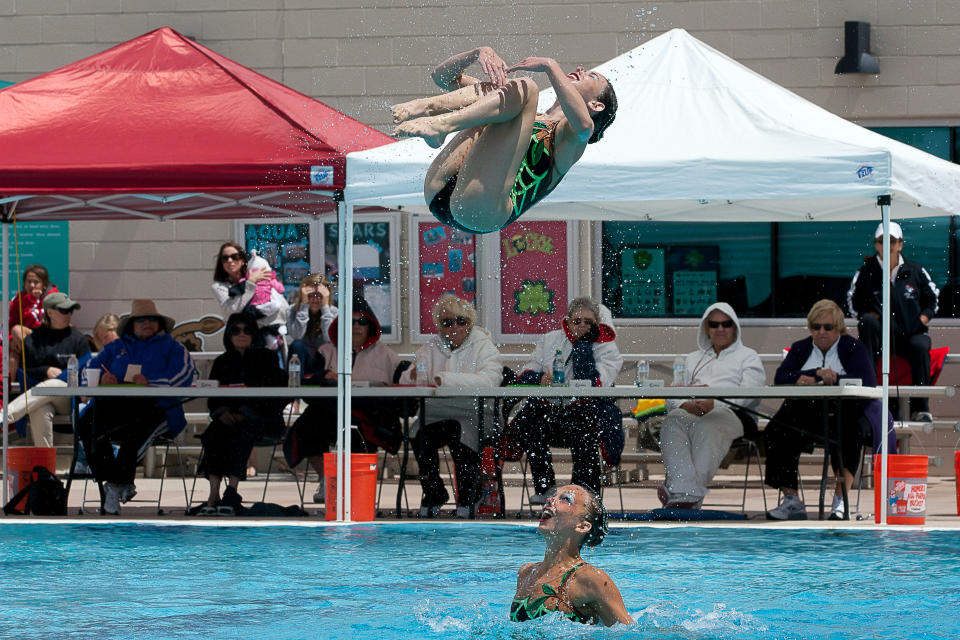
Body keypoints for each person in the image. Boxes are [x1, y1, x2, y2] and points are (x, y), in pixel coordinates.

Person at [393, 46, 617, 234]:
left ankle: (439, 125)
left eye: (592, 76)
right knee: (497, 91)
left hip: (482, 212)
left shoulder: (570, 139)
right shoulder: (512, 108)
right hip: (439, 190)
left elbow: (584, 126)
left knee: (526, 88)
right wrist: (477, 52)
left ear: (595, 106)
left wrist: (550, 65)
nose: (580, 69)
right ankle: (428, 108)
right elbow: (441, 78)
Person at [765, 300, 884, 521]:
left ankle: (841, 500)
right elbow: (781, 377)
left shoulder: (853, 347)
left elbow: (867, 380)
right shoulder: (801, 348)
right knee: (777, 429)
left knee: (851, 430)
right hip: (808, 411)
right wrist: (811, 375)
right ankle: (791, 499)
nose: (821, 332)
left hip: (846, 410)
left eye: (828, 328)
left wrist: (835, 378)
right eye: (816, 327)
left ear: (838, 328)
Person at [78, 299, 194, 515]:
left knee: (136, 432)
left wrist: (151, 383)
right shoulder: (115, 347)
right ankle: (117, 480)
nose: (147, 323)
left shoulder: (174, 348)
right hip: (118, 409)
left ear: (160, 324)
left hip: (160, 409)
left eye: (152, 319)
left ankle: (114, 486)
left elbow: (185, 376)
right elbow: (88, 372)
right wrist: (102, 378)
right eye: (141, 319)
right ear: (132, 324)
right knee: (87, 422)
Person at [285, 294, 401, 504]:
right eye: (351, 321)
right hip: (332, 412)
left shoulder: (387, 355)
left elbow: (400, 389)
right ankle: (326, 480)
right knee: (309, 425)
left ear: (371, 326)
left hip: (371, 414)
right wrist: (323, 377)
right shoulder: (326, 351)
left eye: (362, 321)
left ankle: (356, 488)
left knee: (358, 430)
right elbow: (308, 385)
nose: (356, 326)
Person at [509, 297, 624, 504]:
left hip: (583, 414)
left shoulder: (608, 350)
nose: (581, 325)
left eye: (588, 322)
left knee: (586, 429)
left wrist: (583, 347)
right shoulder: (550, 339)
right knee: (530, 423)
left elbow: (593, 384)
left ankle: (582, 493)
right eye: (576, 321)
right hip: (550, 413)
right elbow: (524, 374)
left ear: (597, 324)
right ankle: (545, 487)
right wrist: (539, 379)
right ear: (568, 321)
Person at [398, 294, 502, 518]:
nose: (454, 326)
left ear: (470, 323)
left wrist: (445, 379)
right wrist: (412, 375)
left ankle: (468, 497)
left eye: (461, 321)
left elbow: (490, 380)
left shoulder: (484, 346)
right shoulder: (430, 346)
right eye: (447, 322)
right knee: (418, 435)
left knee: (459, 431)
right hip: (438, 413)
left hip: (474, 412)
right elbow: (406, 381)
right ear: (440, 326)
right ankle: (434, 492)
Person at [658, 302, 765, 509]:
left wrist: (714, 403)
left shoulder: (748, 356)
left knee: (709, 424)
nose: (720, 329)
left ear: (734, 327)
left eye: (726, 324)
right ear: (706, 328)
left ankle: (683, 491)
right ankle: (686, 491)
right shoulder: (691, 359)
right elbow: (674, 393)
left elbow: (750, 392)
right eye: (714, 324)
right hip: (694, 412)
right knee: (672, 422)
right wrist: (684, 405)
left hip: (734, 414)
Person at [194, 313, 287, 515]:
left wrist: (246, 413)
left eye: (246, 330)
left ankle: (232, 490)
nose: (241, 334)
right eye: (236, 330)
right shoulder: (222, 361)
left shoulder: (267, 358)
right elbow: (213, 398)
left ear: (254, 334)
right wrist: (223, 412)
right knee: (214, 434)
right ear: (229, 334)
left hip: (261, 418)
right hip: (228, 418)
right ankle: (213, 495)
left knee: (240, 432)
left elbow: (277, 394)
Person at [847, 221, 939, 422]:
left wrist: (921, 319)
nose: (886, 245)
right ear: (875, 244)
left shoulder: (915, 270)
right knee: (867, 323)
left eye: (891, 241)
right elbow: (853, 303)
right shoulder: (866, 271)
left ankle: (921, 408)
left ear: (900, 244)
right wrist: (871, 315)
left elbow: (933, 298)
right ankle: (868, 397)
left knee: (921, 344)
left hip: (910, 334)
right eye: (882, 241)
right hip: (881, 338)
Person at [511, 484, 632, 627]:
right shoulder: (526, 573)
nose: (550, 500)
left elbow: (629, 632)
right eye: (553, 495)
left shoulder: (589, 578)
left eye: (565, 499)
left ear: (582, 526)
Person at [6, 292, 89, 447]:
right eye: (64, 310)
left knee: (53, 385)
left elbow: (87, 368)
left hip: (69, 397)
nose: (69, 314)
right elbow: (25, 371)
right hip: (40, 396)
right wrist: (46, 371)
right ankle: (45, 466)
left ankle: (5, 416)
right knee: (40, 410)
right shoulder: (34, 339)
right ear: (49, 312)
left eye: (71, 310)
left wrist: (58, 377)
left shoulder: (78, 339)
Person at [211, 242, 288, 354]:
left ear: (243, 260)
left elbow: (281, 305)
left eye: (234, 257)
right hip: (241, 342)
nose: (230, 261)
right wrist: (250, 283)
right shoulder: (219, 287)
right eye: (225, 258)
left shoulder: (260, 275)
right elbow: (232, 311)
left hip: (271, 339)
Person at [285, 272, 338, 382]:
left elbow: (329, 338)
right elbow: (297, 335)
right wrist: (304, 305)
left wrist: (325, 307)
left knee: (330, 346)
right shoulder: (292, 310)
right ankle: (295, 395)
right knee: (297, 345)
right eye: (310, 295)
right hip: (302, 361)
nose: (315, 299)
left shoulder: (333, 312)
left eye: (319, 295)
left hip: (324, 362)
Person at [8, 264, 58, 379]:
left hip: (46, 339)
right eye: (28, 281)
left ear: (44, 285)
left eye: (36, 282)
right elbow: (11, 325)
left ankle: (34, 359)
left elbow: (52, 324)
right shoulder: (18, 300)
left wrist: (37, 301)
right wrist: (12, 341)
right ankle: (10, 392)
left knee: (17, 330)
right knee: (11, 358)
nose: (31, 285)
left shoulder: (52, 298)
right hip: (25, 342)